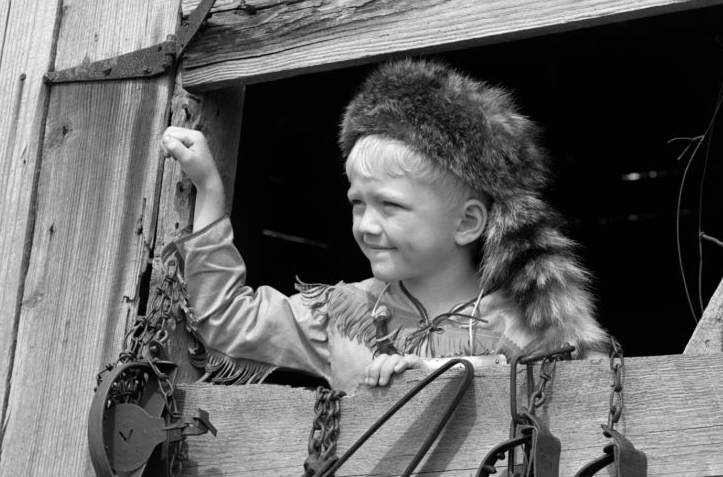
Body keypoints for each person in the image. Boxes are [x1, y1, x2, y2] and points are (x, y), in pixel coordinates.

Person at [161, 59, 607, 392]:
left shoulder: (521, 326)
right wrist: (210, 192)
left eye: (390, 206)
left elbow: (581, 393)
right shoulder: (341, 315)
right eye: (358, 203)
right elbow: (223, 319)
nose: (367, 226)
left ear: (468, 222)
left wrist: (442, 372)